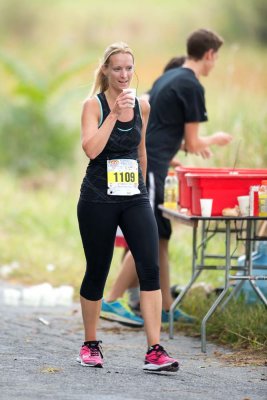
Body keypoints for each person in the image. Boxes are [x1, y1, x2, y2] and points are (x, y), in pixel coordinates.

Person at [101, 29, 233, 326]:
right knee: (145, 237)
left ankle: (166, 308)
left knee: (159, 239)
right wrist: (217, 139)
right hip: (149, 168)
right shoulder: (192, 86)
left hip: (150, 163)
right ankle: (110, 301)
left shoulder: (168, 78)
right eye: (216, 58)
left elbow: (162, 129)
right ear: (209, 54)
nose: (215, 64)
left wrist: (169, 152)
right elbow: (195, 142)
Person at [76, 41, 179, 372]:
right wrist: (114, 115)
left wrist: (144, 190)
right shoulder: (92, 106)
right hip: (97, 198)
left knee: (150, 269)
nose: (124, 74)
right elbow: (91, 150)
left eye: (129, 68)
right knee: (98, 269)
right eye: (117, 68)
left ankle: (155, 350)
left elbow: (141, 150)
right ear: (106, 70)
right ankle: (91, 344)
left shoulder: (144, 106)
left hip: (134, 195)